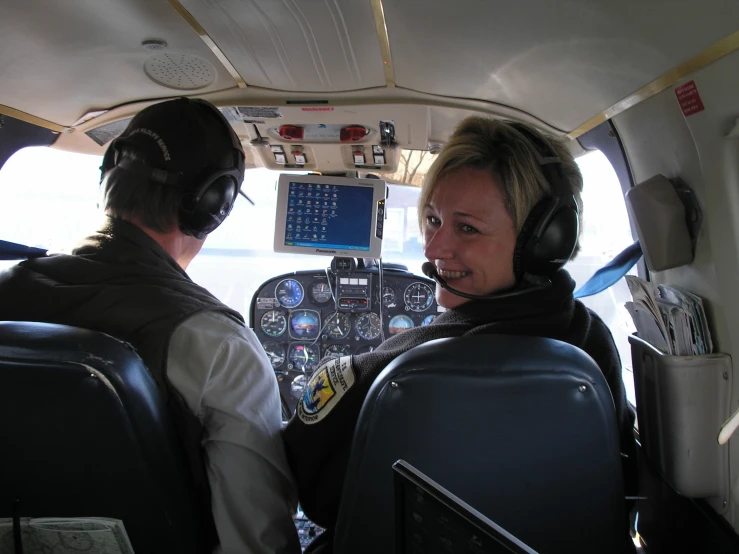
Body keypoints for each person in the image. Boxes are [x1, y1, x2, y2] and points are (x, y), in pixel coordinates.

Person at [282, 116, 638, 552]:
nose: (432, 250)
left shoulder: (396, 366)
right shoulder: (593, 346)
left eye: (467, 228)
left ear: (546, 241)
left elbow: (315, 496)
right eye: (433, 219)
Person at [0, 98, 300, 554]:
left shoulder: (7, 289)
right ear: (213, 205)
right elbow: (255, 542)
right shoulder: (218, 346)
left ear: (107, 175)